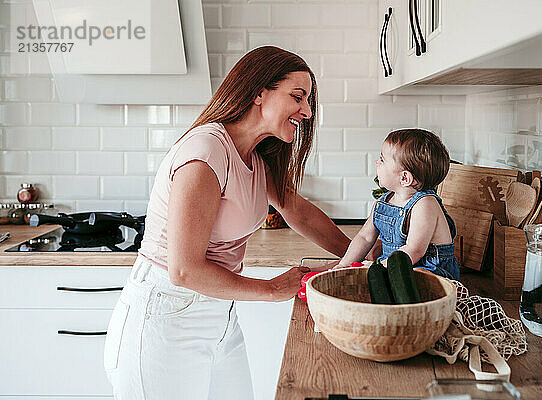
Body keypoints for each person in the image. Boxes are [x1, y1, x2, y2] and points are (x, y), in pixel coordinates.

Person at [103, 46, 379, 400]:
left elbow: (299, 211)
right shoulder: (205, 153)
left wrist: (359, 254)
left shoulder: (256, 155)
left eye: (308, 100)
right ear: (259, 92)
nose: (307, 111)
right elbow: (184, 270)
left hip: (218, 311)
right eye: (298, 97)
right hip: (165, 315)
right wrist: (269, 290)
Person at [333, 128, 460, 281]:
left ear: (405, 178)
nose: (376, 162)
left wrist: (378, 267)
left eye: (382, 159)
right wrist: (343, 265)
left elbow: (414, 251)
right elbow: (364, 237)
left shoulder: (425, 204)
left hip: (430, 267)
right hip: (393, 265)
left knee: (419, 277)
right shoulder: (383, 202)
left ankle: (453, 290)